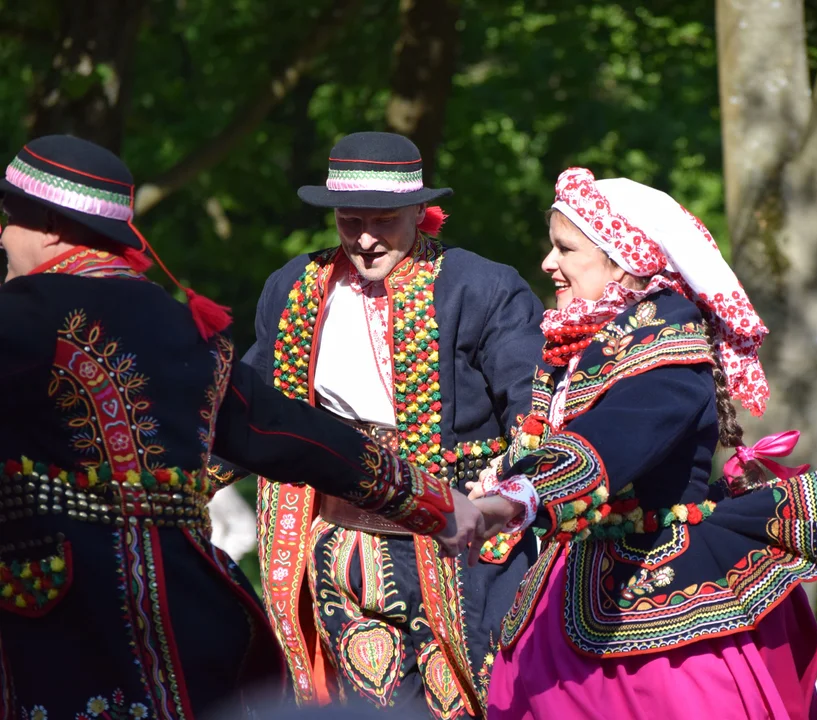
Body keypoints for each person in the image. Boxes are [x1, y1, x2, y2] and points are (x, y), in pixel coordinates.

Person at [0, 135, 481, 719]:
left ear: (50, 228)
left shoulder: (21, 320)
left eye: (9, 220)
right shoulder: (181, 325)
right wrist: (438, 502)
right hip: (186, 617)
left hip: (55, 617)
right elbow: (292, 434)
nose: (2, 236)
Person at [468, 168, 817, 720]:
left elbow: (614, 440)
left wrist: (515, 496)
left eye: (565, 248)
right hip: (573, 589)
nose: (549, 264)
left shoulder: (669, 353)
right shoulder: (583, 346)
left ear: (624, 260)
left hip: (659, 623)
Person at [235, 132, 543, 715]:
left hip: (454, 546)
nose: (367, 240)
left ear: (420, 214)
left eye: (385, 221)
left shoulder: (481, 287)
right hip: (337, 543)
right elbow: (254, 402)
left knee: (468, 700)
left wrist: (513, 489)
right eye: (351, 222)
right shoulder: (295, 287)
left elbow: (531, 405)